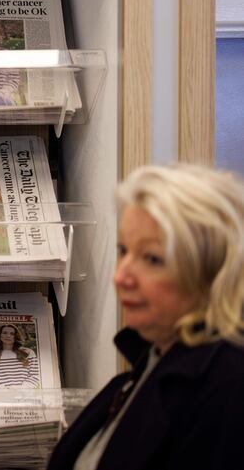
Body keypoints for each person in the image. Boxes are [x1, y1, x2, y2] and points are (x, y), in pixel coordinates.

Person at [47, 164, 244, 470]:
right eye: (124, 250)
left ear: (210, 270)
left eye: (152, 258)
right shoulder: (151, 360)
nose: (121, 276)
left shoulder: (228, 387)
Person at [0, 324, 40, 389]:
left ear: (16, 336)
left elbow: (35, 375)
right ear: (0, 335)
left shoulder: (28, 352)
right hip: (1, 395)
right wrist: (4, 391)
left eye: (12, 334)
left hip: (25, 395)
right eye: (4, 333)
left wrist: (22, 389)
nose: (8, 336)